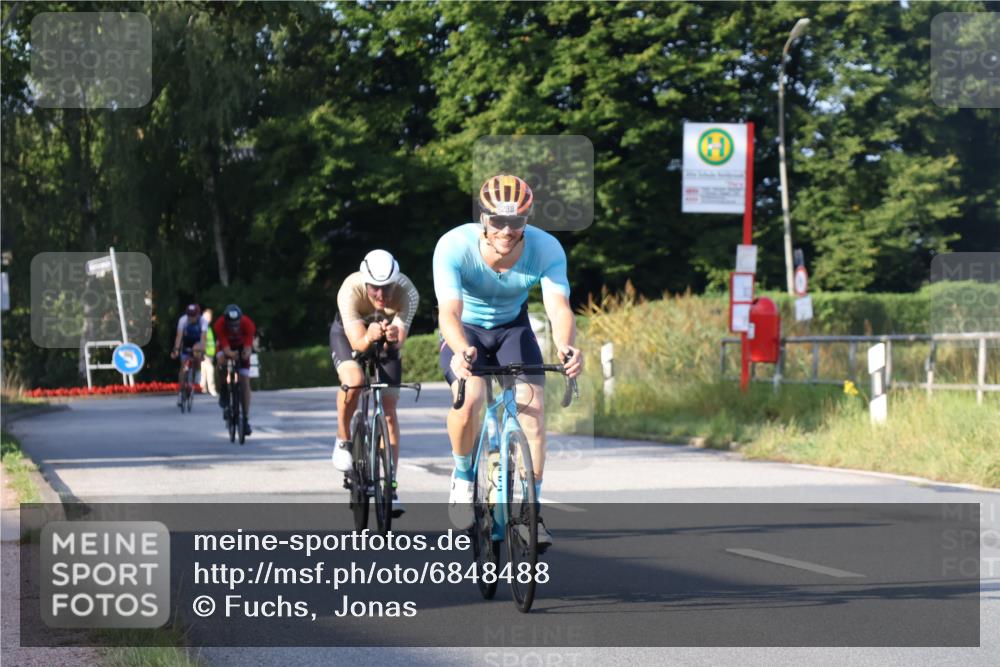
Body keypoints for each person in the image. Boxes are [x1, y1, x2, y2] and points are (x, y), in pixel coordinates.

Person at [433, 174, 583, 552]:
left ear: (527, 220)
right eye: (497, 221)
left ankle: (531, 512)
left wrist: (566, 346)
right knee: (471, 397)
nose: (505, 229)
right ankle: (464, 476)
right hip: (465, 330)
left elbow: (558, 307)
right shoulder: (453, 245)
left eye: (515, 221)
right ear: (483, 218)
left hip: (512, 330)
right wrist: (461, 348)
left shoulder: (546, 249)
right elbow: (448, 313)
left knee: (532, 407)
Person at [330, 249, 419, 517]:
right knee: (355, 381)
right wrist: (368, 336)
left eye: (387, 288)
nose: (381, 295)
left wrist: (394, 335)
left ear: (397, 281)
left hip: (384, 341)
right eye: (375, 289)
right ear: (364, 282)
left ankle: (390, 485)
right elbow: (357, 343)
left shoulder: (408, 292)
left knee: (389, 411)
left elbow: (401, 339)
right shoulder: (349, 289)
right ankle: (343, 438)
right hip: (350, 336)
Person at [213, 304, 256, 436]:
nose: (233, 328)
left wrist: (245, 354)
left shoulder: (248, 324)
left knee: (245, 382)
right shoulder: (219, 325)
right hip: (226, 346)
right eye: (230, 325)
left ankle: (246, 419)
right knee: (221, 361)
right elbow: (225, 349)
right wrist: (231, 355)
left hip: (241, 346)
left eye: (236, 324)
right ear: (225, 321)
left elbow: (248, 348)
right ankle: (224, 388)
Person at [171, 304, 206, 406]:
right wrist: (176, 349)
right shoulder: (183, 320)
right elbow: (179, 336)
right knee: (183, 366)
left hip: (197, 342)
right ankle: (181, 392)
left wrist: (201, 349)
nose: (191, 317)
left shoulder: (203, 321)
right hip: (186, 342)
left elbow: (203, 338)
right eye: (189, 315)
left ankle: (196, 375)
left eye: (193, 315)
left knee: (197, 356)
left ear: (198, 314)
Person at [200, 308, 218, 396]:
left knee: (204, 372)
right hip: (205, 353)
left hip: (209, 354)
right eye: (207, 317)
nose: (209, 318)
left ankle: (203, 388)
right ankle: (211, 389)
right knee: (210, 370)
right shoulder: (204, 327)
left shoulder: (208, 327)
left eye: (210, 317)